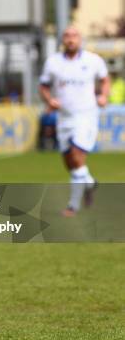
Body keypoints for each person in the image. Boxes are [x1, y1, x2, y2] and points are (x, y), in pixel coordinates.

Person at [39, 26, 110, 217]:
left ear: (80, 39)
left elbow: (105, 80)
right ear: (62, 40)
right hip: (64, 118)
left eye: (74, 36)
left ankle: (73, 206)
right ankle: (90, 183)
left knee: (77, 156)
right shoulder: (53, 62)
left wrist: (103, 96)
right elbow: (43, 86)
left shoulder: (93, 60)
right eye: (67, 36)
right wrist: (49, 100)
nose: (71, 39)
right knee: (70, 163)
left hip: (86, 116)